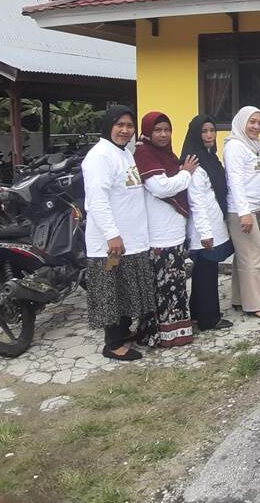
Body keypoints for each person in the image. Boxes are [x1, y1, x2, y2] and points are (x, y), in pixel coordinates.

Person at [82, 106, 156, 361]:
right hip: (110, 241)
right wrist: (112, 235)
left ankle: (122, 333)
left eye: (129, 126)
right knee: (110, 291)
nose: (125, 130)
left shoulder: (124, 153)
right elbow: (97, 199)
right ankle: (112, 344)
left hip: (131, 238)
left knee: (124, 290)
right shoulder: (100, 156)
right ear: (108, 126)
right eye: (119, 125)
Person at [135, 111, 196, 348]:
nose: (163, 134)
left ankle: (177, 331)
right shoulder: (145, 154)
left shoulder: (166, 155)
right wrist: (186, 174)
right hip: (159, 234)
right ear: (148, 132)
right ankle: (158, 334)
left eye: (167, 130)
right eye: (157, 130)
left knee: (175, 284)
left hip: (174, 231)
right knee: (162, 287)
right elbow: (160, 187)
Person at [224, 106, 260, 321]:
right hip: (241, 211)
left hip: (251, 209)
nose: (256, 126)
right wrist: (244, 213)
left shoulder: (253, 145)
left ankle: (240, 299)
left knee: (243, 257)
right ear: (241, 122)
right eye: (251, 122)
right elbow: (235, 181)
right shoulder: (236, 146)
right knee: (255, 256)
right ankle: (257, 304)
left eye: (259, 122)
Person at [181, 115, 233, 331]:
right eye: (204, 131)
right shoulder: (194, 162)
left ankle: (196, 313)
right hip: (205, 227)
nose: (210, 135)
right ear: (196, 134)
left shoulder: (210, 158)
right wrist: (204, 233)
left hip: (214, 222)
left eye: (212, 130)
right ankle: (209, 319)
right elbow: (196, 202)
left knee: (206, 271)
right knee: (206, 274)